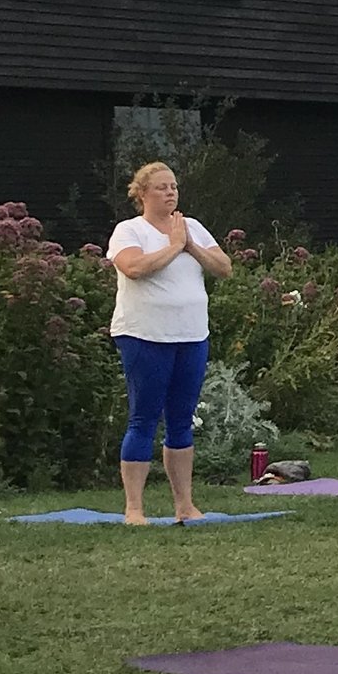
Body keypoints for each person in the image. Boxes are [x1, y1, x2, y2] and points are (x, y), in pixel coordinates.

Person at [108, 161, 234, 524]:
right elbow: (134, 268)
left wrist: (189, 245)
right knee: (144, 417)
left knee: (181, 420)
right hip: (144, 335)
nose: (170, 192)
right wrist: (173, 246)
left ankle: (185, 505)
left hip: (191, 335)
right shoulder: (129, 230)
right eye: (161, 187)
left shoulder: (190, 227)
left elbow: (224, 268)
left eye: (173, 186)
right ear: (142, 193)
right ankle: (134, 508)